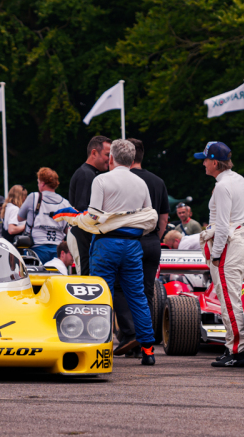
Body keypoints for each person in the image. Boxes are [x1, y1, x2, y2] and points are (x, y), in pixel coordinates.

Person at [88, 139, 156, 366]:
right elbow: (149, 216)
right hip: (132, 244)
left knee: (100, 297)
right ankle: (148, 350)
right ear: (132, 159)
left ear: (111, 158)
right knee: (137, 296)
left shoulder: (101, 180)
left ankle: (99, 346)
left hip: (106, 243)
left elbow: (94, 216)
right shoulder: (141, 183)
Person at [195, 141, 244, 368]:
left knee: (229, 300)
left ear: (215, 162)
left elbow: (220, 225)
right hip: (239, 238)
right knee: (231, 298)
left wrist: (216, 254)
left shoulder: (222, 186)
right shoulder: (239, 179)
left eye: (205, 159)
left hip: (228, 243)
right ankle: (232, 348)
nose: (203, 163)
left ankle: (238, 351)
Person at [112, 138, 171, 355]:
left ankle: (130, 334)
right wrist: (155, 237)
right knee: (146, 292)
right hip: (151, 241)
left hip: (128, 240)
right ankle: (144, 342)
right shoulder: (157, 181)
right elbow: (163, 217)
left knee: (119, 287)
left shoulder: (120, 180)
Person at [67, 135, 111, 274]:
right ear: (94, 153)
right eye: (107, 154)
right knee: (86, 277)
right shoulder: (86, 174)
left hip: (83, 234)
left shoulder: (90, 173)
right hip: (81, 234)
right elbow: (82, 208)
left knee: (88, 275)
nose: (110, 159)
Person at [17, 168, 68, 264]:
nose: (38, 185)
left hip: (36, 249)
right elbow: (67, 230)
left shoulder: (33, 197)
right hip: (57, 250)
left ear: (43, 183)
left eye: (38, 182)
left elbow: (19, 218)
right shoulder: (65, 203)